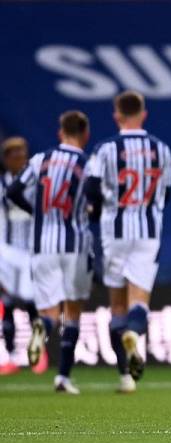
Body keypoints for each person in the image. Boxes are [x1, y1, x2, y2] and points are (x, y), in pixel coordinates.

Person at [85, 90, 171, 393]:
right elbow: (167, 193)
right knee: (139, 300)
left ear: (117, 115)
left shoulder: (105, 149)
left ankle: (125, 376)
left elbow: (92, 190)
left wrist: (97, 212)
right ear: (144, 114)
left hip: (114, 231)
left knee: (117, 304)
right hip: (148, 230)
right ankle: (135, 334)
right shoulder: (161, 149)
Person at [7, 111, 94, 394]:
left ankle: (41, 327)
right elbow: (98, 201)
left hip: (42, 244)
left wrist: (38, 211)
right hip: (75, 244)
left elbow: (14, 191)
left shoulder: (39, 160)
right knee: (73, 311)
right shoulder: (86, 164)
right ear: (85, 134)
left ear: (60, 132)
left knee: (48, 310)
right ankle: (63, 377)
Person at [0, 137, 46, 375]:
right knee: (6, 304)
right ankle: (8, 354)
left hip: (31, 252)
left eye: (22, 153)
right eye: (14, 154)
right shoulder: (1, 185)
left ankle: (38, 351)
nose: (19, 158)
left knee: (32, 304)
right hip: (7, 253)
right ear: (6, 159)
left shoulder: (36, 184)